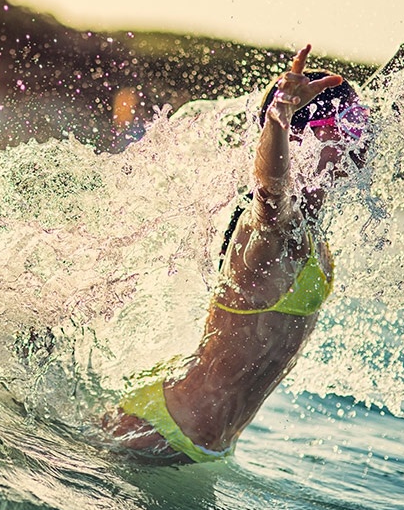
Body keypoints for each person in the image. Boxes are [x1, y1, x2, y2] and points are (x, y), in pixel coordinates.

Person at [102, 45, 357, 463]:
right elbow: (270, 188)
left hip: (200, 441)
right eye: (346, 127)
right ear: (301, 140)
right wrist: (277, 118)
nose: (358, 136)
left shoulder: (310, 224)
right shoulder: (273, 230)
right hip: (163, 432)